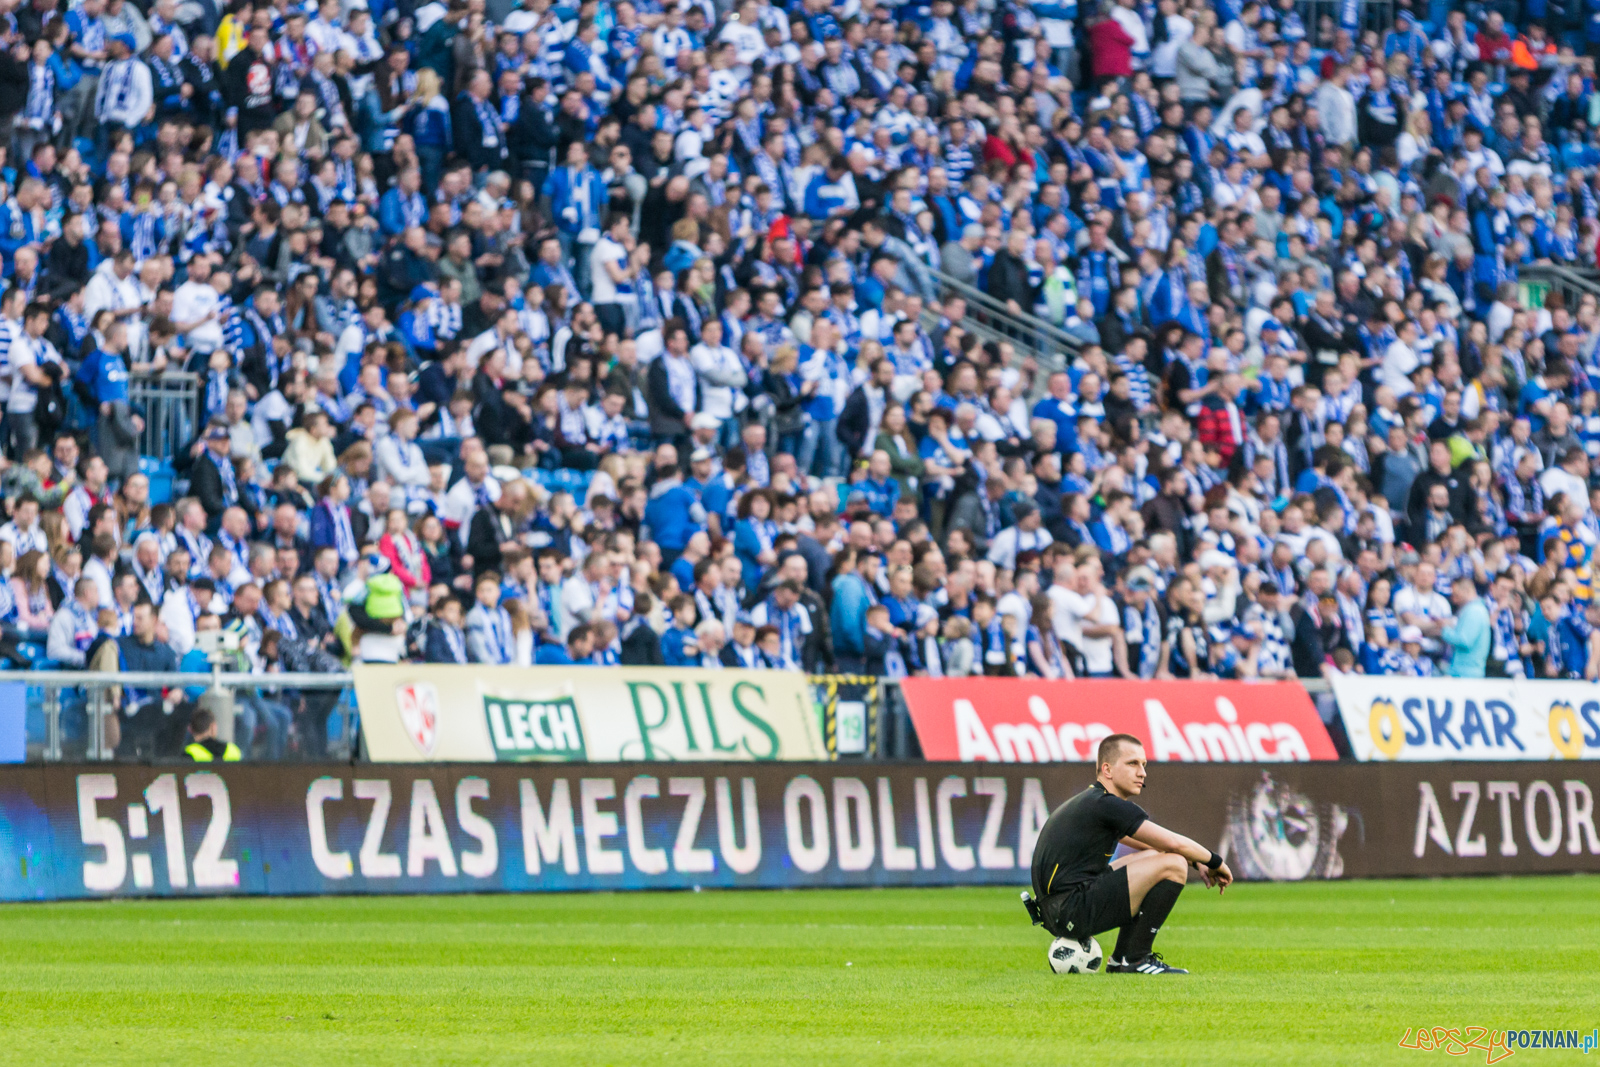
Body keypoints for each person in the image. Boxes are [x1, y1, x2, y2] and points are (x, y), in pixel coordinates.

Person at [1028, 734, 1232, 975]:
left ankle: (1121, 959)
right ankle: (1135, 959)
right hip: (1070, 910)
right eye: (1133, 763)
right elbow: (1173, 842)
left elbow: (1152, 844)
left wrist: (1195, 859)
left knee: (1155, 856)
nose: (1142, 772)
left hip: (1058, 909)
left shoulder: (1094, 803)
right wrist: (1215, 861)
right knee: (1173, 864)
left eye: (1144, 765)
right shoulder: (1108, 805)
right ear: (1107, 770)